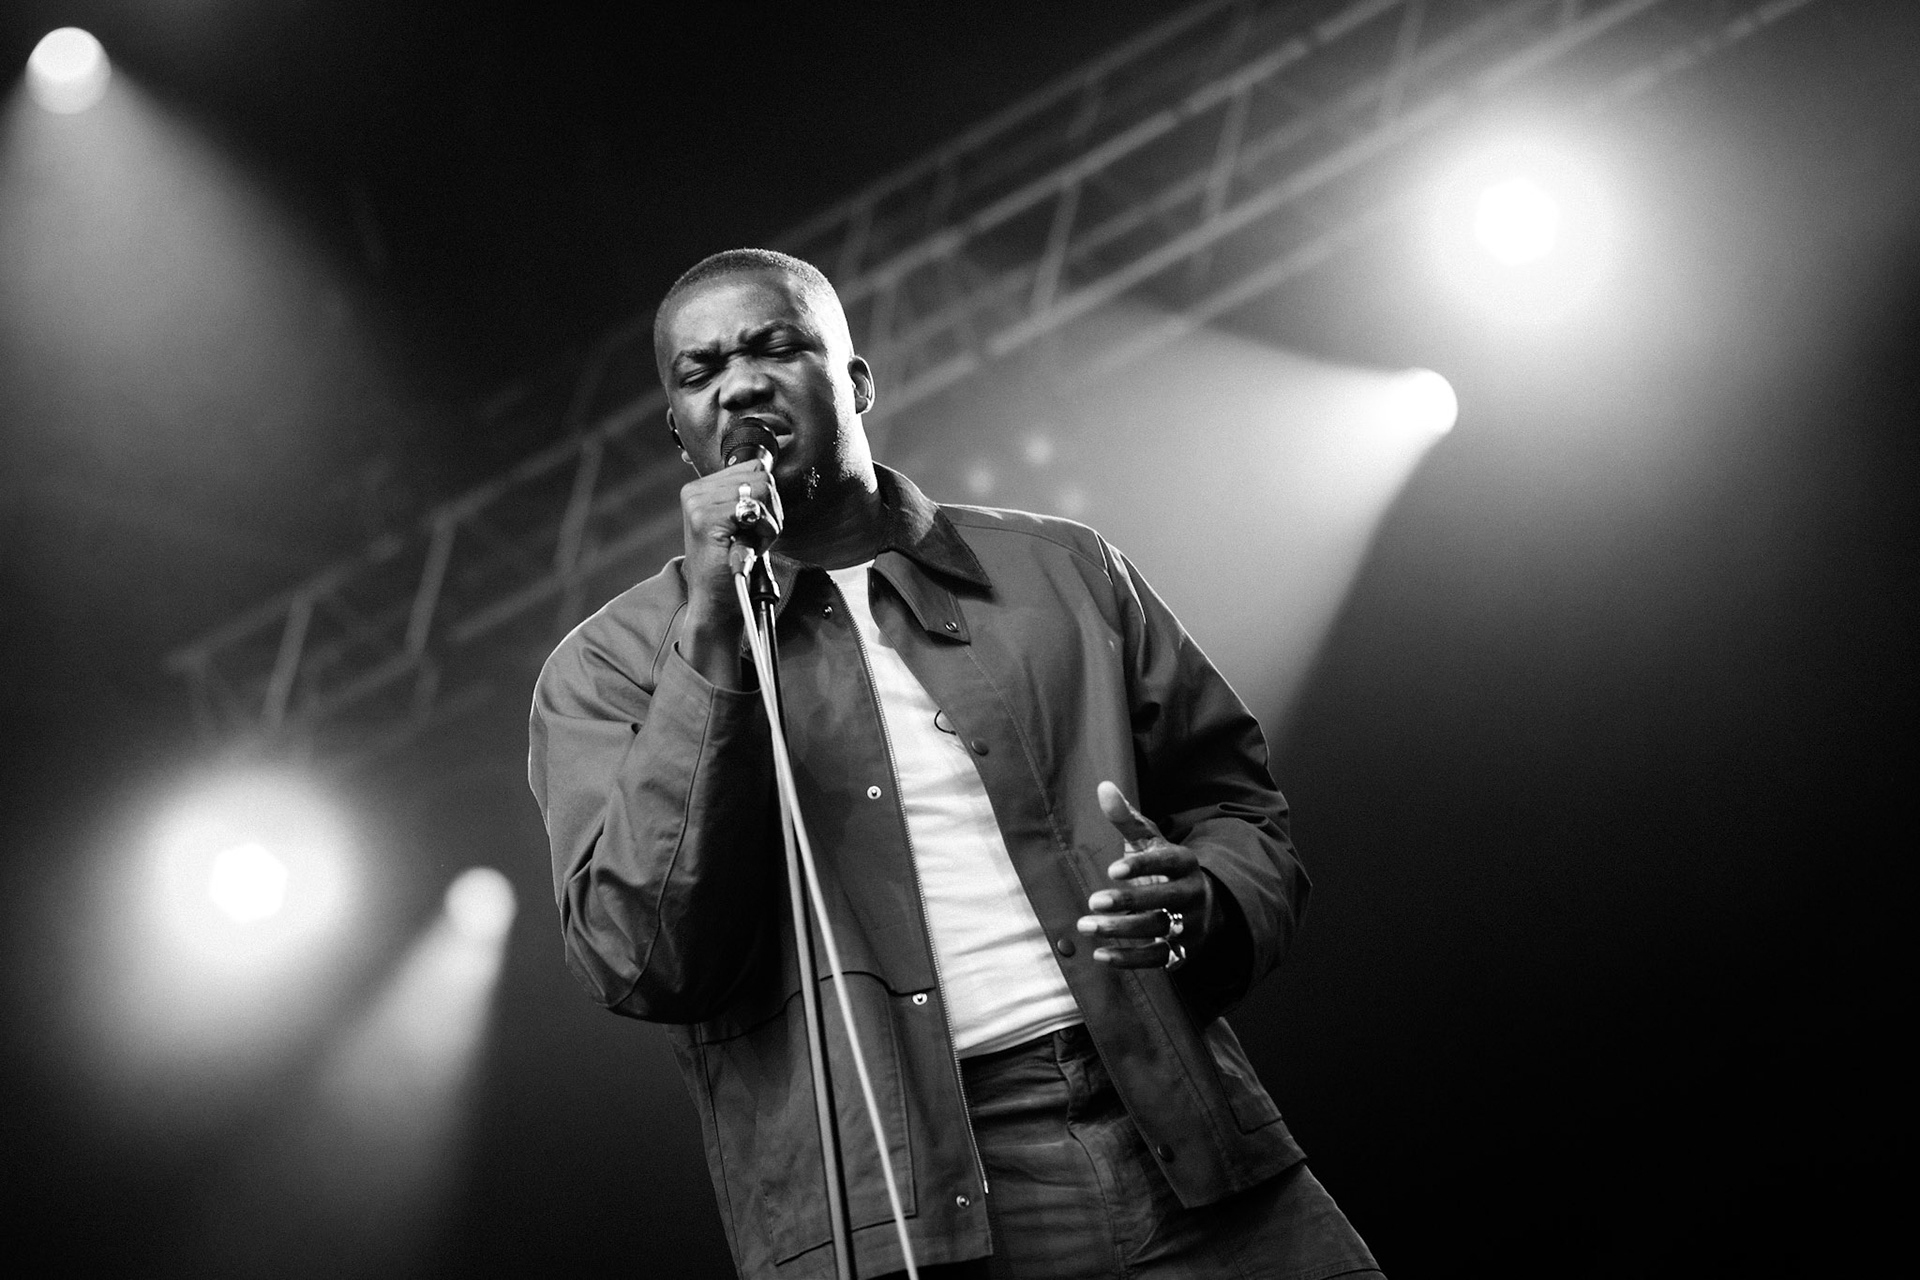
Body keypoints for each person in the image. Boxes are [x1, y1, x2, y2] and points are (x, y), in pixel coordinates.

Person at [528, 248, 1382, 1280]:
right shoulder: (609, 666)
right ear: (680, 431)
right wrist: (715, 626)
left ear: (857, 381)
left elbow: (1238, 805)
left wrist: (1205, 897)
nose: (742, 382)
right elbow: (642, 953)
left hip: (1182, 1132)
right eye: (701, 372)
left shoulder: (1060, 568)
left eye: (776, 346)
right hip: (914, 1209)